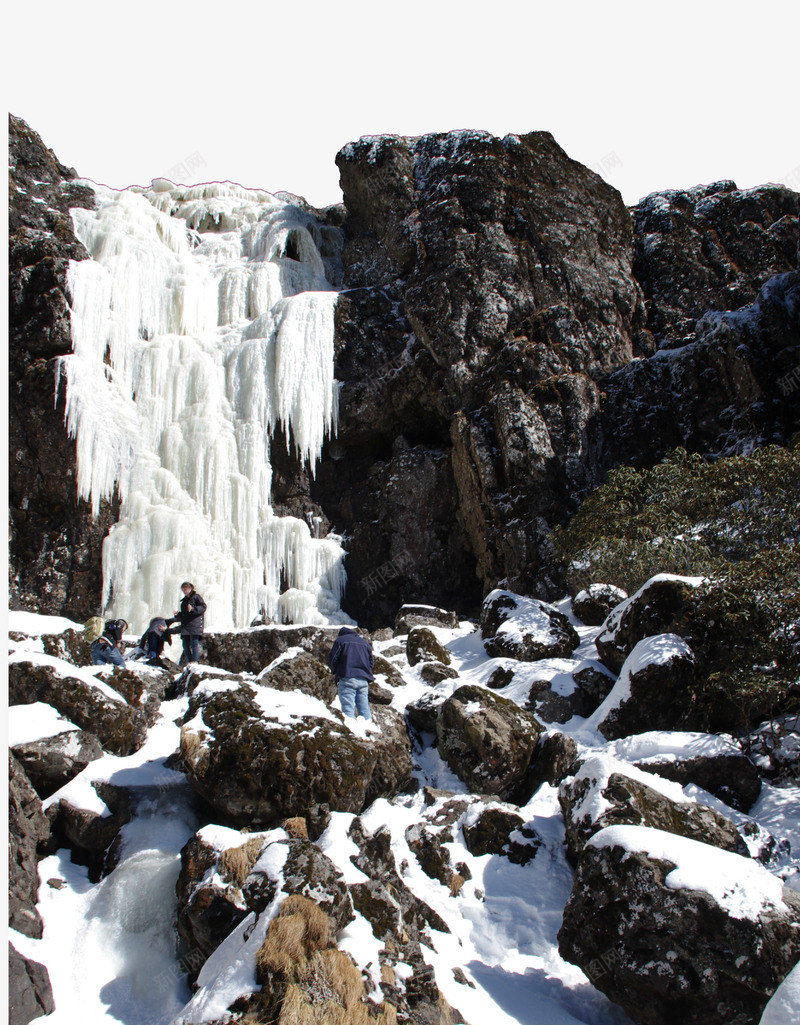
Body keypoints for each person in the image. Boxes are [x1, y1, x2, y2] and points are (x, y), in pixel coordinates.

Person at [328, 626, 374, 720]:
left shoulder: (340, 641)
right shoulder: (365, 643)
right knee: (364, 706)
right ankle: (368, 728)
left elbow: (333, 659)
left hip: (347, 676)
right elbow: (371, 663)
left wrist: (335, 672)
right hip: (363, 679)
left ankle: (351, 729)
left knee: (348, 707)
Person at [169, 582, 207, 666]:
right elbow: (184, 614)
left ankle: (194, 661)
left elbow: (203, 607)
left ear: (191, 588)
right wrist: (178, 614)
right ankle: (190, 662)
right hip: (186, 626)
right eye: (183, 589)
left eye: (186, 588)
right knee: (185, 645)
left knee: (194, 643)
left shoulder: (196, 597)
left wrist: (193, 609)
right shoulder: (184, 601)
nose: (184, 590)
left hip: (195, 625)